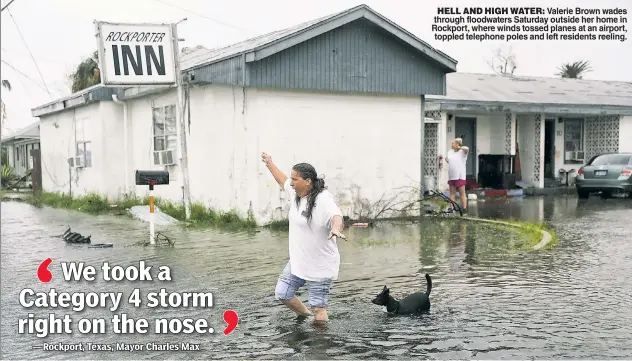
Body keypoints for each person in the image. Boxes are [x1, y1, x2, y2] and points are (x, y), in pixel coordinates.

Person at [261, 152, 345, 323]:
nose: (291, 183)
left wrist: (336, 229)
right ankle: (305, 317)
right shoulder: (295, 194)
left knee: (319, 309)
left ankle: (320, 344)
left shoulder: (322, 198)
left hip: (320, 264)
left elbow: (336, 215)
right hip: (299, 260)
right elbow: (281, 180)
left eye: (295, 179)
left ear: (307, 181)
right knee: (282, 293)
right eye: (291, 179)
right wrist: (269, 163)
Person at [445, 138, 469, 213]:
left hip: (460, 176)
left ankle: (464, 209)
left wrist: (459, 148)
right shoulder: (450, 152)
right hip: (452, 176)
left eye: (453, 143)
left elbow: (467, 148)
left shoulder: (463, 151)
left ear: (457, 144)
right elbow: (448, 159)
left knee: (462, 193)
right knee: (452, 193)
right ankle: (451, 208)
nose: (451, 144)